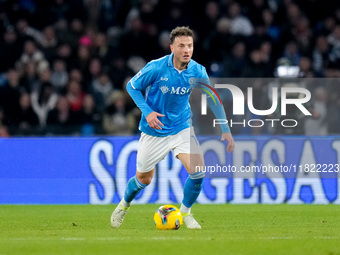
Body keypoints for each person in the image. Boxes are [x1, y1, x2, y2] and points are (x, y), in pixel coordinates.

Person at [110, 26, 235, 229]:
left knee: (198, 172)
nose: (187, 50)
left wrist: (225, 129)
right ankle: (124, 205)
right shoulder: (157, 67)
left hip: (182, 127)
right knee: (144, 179)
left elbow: (212, 98)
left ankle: (185, 213)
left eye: (190, 46)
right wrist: (147, 111)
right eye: (181, 46)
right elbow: (132, 86)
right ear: (172, 48)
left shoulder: (197, 70)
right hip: (155, 129)